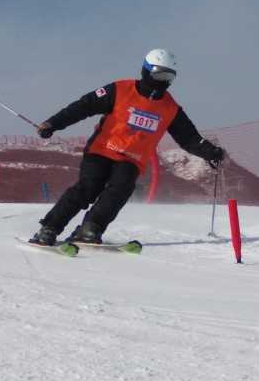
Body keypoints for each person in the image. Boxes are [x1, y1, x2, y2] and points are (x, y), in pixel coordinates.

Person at [29, 49, 225, 246]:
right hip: (102, 149)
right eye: (159, 74)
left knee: (120, 189)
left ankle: (91, 228)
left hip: (132, 159)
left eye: (168, 76)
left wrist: (210, 152)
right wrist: (53, 123)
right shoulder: (120, 90)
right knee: (88, 188)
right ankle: (49, 228)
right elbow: (83, 106)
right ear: (146, 71)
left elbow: (189, 137)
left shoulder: (170, 108)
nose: (162, 81)